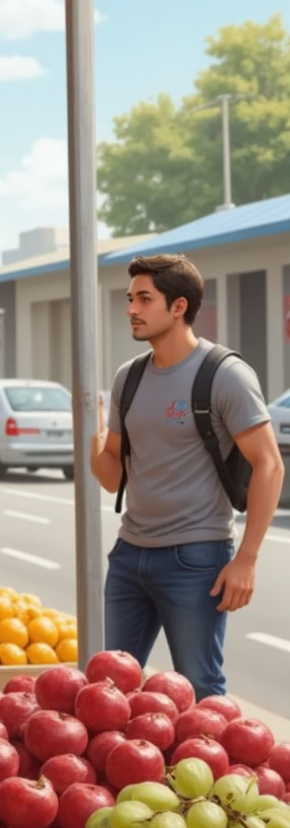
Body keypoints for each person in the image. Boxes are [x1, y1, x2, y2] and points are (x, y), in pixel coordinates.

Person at [89, 254, 283, 700]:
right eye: (129, 299)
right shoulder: (128, 378)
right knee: (107, 693)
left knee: (199, 690)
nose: (131, 309)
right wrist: (91, 438)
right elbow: (111, 474)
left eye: (144, 299)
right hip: (129, 556)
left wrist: (247, 559)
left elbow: (269, 465)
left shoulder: (225, 375)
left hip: (196, 560)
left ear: (179, 307)